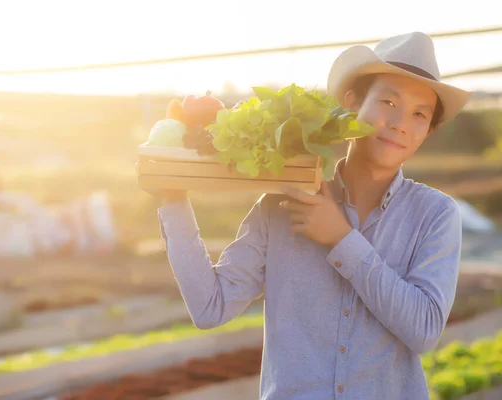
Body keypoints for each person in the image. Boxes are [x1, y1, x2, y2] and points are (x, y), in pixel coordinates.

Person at [155, 32, 472, 400]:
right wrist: (172, 196)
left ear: (427, 132)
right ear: (351, 104)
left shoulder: (435, 215)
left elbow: (424, 330)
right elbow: (210, 307)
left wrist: (341, 238)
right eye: (388, 101)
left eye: (420, 115)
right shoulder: (282, 205)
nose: (401, 123)